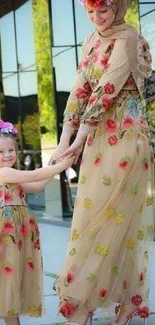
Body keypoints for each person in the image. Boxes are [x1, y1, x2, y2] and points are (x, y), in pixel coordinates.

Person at [51, 1, 154, 325]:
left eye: (104, 11)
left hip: (125, 137)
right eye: (91, 12)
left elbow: (106, 90)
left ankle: (100, 304)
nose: (97, 19)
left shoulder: (128, 39)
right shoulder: (92, 39)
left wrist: (79, 139)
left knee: (117, 222)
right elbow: (81, 86)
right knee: (90, 216)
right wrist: (65, 139)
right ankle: (91, 301)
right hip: (98, 138)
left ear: (118, 8)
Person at [0, 120, 74, 325]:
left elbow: (38, 183)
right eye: (1, 152)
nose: (7, 155)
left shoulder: (13, 176)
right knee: (7, 282)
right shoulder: (4, 173)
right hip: (7, 235)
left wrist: (55, 162)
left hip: (18, 235)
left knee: (12, 282)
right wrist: (62, 165)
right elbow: (35, 174)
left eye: (11, 150)